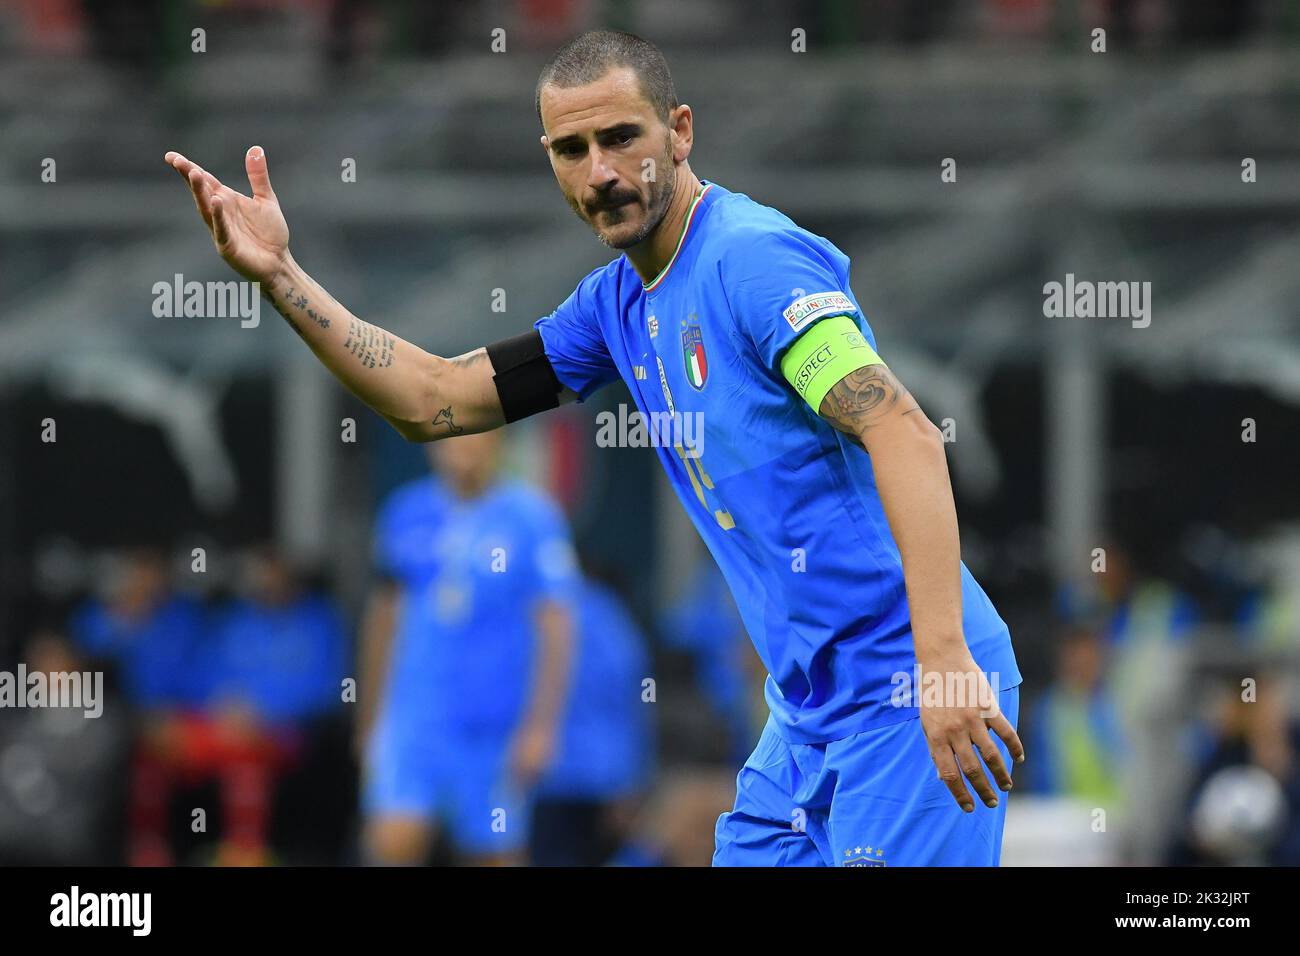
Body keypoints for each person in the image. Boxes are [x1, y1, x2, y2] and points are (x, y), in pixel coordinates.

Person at [164, 29, 1024, 866]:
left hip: (909, 686)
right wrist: (282, 277)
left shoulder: (752, 261)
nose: (602, 172)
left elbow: (900, 427)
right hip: (807, 715)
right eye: (572, 150)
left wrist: (942, 662)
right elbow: (433, 401)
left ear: (680, 131)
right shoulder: (614, 307)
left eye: (622, 138)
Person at [359, 433, 578, 865]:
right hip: (415, 720)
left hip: (494, 726)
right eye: (450, 439)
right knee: (391, 845)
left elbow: (556, 628)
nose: (463, 449)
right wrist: (370, 722)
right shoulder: (406, 512)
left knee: (493, 852)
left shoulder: (532, 518)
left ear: (499, 442)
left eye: (475, 437)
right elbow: (382, 622)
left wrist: (541, 727)